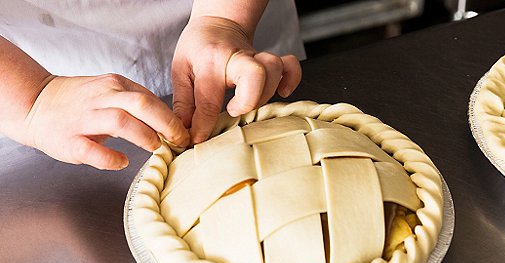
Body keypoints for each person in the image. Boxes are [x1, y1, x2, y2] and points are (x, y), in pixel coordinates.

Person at [0, 1, 303, 170]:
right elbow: (30, 101)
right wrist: (34, 100)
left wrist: (223, 20)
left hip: (239, 33)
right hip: (29, 85)